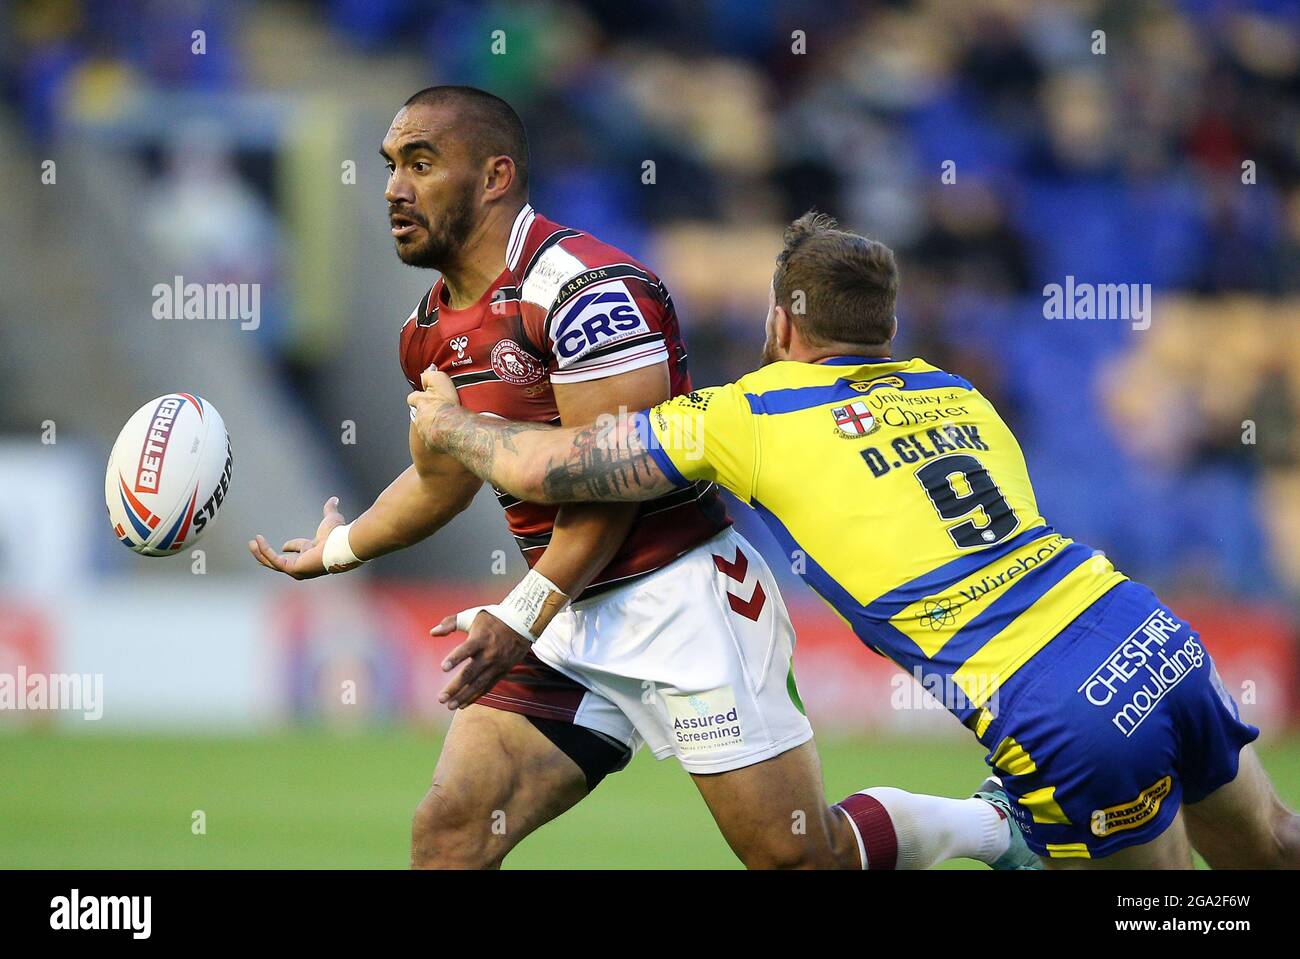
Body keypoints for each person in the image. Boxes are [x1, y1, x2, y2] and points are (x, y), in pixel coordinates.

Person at [251, 87, 1033, 870]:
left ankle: (993, 828)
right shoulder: (426, 333)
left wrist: (521, 613)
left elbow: (610, 485)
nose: (394, 186)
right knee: (450, 833)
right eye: (390, 166)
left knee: (799, 857)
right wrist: (340, 547)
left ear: (494, 177)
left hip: (681, 598)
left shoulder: (590, 290)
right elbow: (439, 477)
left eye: (420, 163)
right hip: (565, 612)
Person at [409, 209, 1300, 868]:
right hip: (1145, 630)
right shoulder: (958, 392)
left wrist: (452, 426)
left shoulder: (747, 413)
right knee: (1271, 844)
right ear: (887, 326)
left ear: (782, 323)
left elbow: (555, 468)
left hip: (1051, 705)